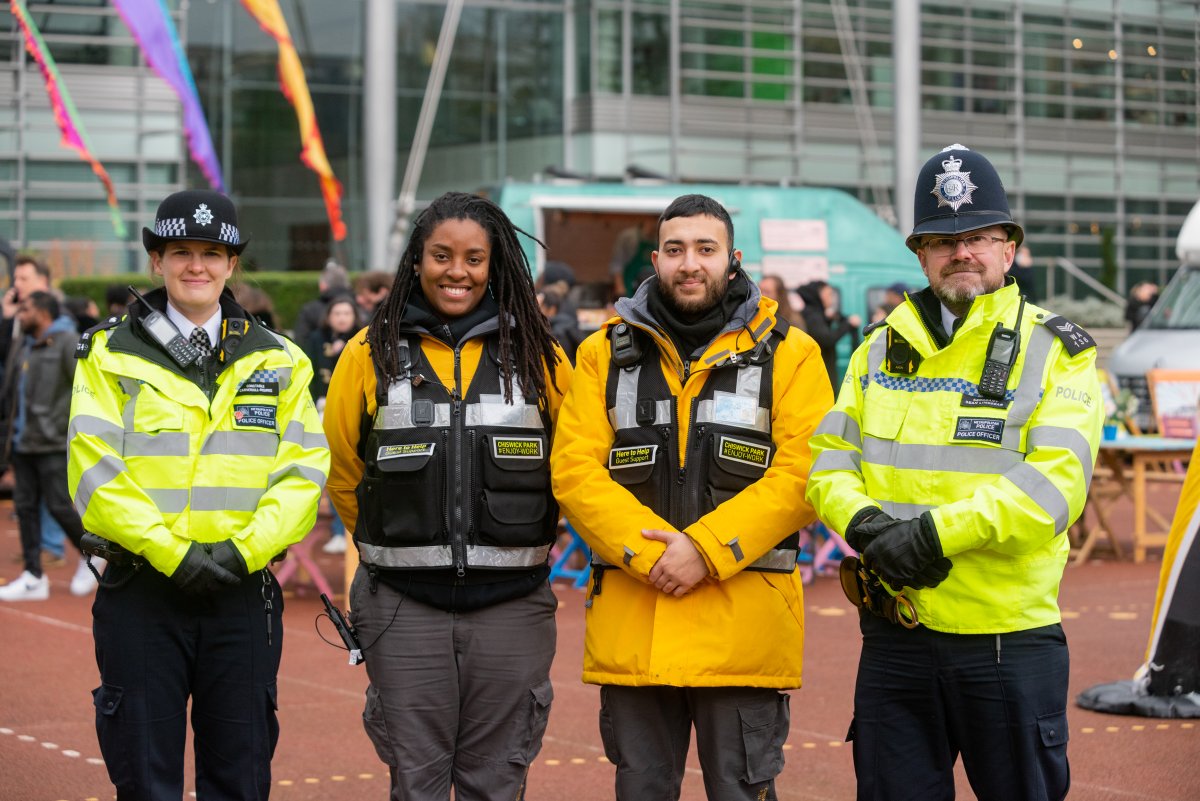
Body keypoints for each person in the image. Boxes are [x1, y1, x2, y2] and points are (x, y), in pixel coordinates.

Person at [806, 144, 1104, 801]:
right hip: (894, 636)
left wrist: (930, 536)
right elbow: (828, 461)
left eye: (978, 236)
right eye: (942, 239)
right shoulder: (879, 346)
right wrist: (866, 524)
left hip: (1005, 642)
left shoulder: (1060, 352)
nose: (960, 251)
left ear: (1008, 247)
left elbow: (1053, 489)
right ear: (918, 252)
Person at [550, 194, 832, 800]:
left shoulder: (791, 352)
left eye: (705, 249)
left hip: (743, 634)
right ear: (655, 260)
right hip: (636, 631)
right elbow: (574, 471)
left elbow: (807, 472)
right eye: (675, 250)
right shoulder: (601, 353)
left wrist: (704, 550)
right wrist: (649, 553)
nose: (690, 263)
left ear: (732, 259)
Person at [67, 189, 329, 800]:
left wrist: (242, 553)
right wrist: (172, 553)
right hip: (142, 590)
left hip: (242, 592)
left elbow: (302, 473)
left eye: (212, 253)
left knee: (240, 777)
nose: (196, 266)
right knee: (144, 775)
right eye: (180, 251)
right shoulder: (107, 354)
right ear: (155, 260)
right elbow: (94, 473)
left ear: (232, 264)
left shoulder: (283, 359)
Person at [323, 191, 572, 801]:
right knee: (417, 784)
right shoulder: (367, 354)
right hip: (403, 609)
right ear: (416, 260)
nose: (456, 271)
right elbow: (344, 470)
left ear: (495, 265)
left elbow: (574, 466)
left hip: (513, 607)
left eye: (473, 258)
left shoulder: (543, 358)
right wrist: (402, 539)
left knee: (497, 781)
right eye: (441, 255)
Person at [0, 292, 92, 601]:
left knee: (59, 506)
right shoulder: (24, 345)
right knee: (25, 509)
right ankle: (32, 577)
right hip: (23, 442)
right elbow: (11, 394)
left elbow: (84, 390)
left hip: (52, 443)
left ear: (42, 313)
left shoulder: (67, 342)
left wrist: (66, 431)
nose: (20, 315)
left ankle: (92, 555)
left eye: (25, 310)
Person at [305, 296, 363, 555]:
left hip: (353, 413)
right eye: (337, 312)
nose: (341, 317)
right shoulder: (317, 338)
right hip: (319, 409)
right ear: (329, 315)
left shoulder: (362, 340)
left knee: (346, 470)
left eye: (346, 312)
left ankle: (343, 532)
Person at [798, 279, 861, 389]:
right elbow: (826, 339)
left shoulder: (817, 314)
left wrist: (829, 320)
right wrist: (847, 325)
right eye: (829, 294)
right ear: (819, 295)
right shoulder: (813, 316)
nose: (832, 298)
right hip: (819, 377)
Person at [293, 259, 352, 345]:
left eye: (346, 313)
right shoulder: (360, 306)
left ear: (322, 285)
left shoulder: (310, 310)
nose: (342, 318)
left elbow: (301, 341)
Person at [609, 217, 658, 299]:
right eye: (654, 219)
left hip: (652, 289)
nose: (655, 224)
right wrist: (620, 288)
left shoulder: (658, 238)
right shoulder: (629, 237)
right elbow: (617, 264)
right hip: (629, 285)